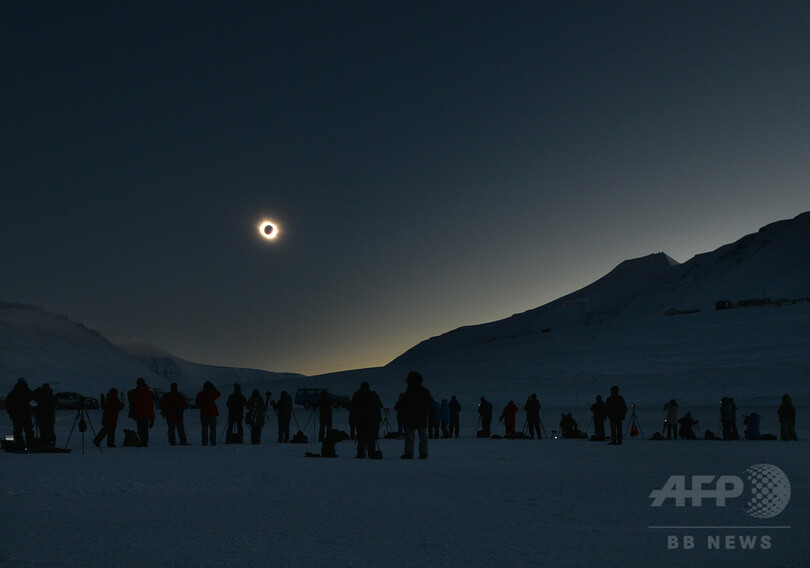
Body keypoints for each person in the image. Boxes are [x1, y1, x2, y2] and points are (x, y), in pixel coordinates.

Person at [398, 371, 433, 459]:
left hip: (410, 417)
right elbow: (430, 403)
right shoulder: (424, 390)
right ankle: (424, 453)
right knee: (423, 436)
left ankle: (409, 453)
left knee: (410, 436)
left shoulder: (409, 391)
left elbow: (404, 405)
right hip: (422, 417)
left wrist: (403, 416)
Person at [351, 381, 383, 459]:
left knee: (361, 437)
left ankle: (361, 453)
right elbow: (378, 406)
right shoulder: (372, 395)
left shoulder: (357, 395)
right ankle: (371, 453)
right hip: (371, 419)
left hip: (360, 419)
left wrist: (354, 418)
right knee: (371, 438)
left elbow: (353, 407)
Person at [5, 378, 35, 450]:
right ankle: (30, 445)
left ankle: (19, 445)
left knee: (18, 431)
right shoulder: (26, 391)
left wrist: (11, 414)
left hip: (16, 416)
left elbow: (7, 403)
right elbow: (33, 396)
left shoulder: (13, 393)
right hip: (26, 415)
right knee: (29, 431)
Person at [130, 377, 155, 447]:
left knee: (141, 429)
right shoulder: (148, 392)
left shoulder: (138, 393)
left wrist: (133, 412)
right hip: (146, 415)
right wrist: (152, 417)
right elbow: (150, 405)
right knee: (145, 429)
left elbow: (135, 404)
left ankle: (143, 441)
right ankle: (145, 441)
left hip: (140, 414)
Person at [196, 381, 221, 446]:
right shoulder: (211, 394)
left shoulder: (200, 394)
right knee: (212, 429)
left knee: (204, 429)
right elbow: (218, 394)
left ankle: (204, 442)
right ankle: (213, 441)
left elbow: (197, 403)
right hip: (212, 414)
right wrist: (213, 388)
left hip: (204, 414)